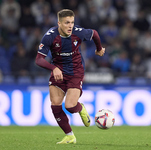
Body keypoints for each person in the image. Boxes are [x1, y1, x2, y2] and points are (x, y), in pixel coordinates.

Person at [35, 9, 105, 144]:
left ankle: (80, 108)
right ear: (59, 23)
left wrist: (99, 49)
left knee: (70, 106)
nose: (70, 26)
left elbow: (94, 34)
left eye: (72, 22)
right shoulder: (50, 36)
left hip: (75, 71)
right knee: (55, 104)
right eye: (67, 23)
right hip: (58, 71)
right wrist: (53, 68)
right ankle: (70, 135)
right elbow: (39, 59)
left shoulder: (78, 32)